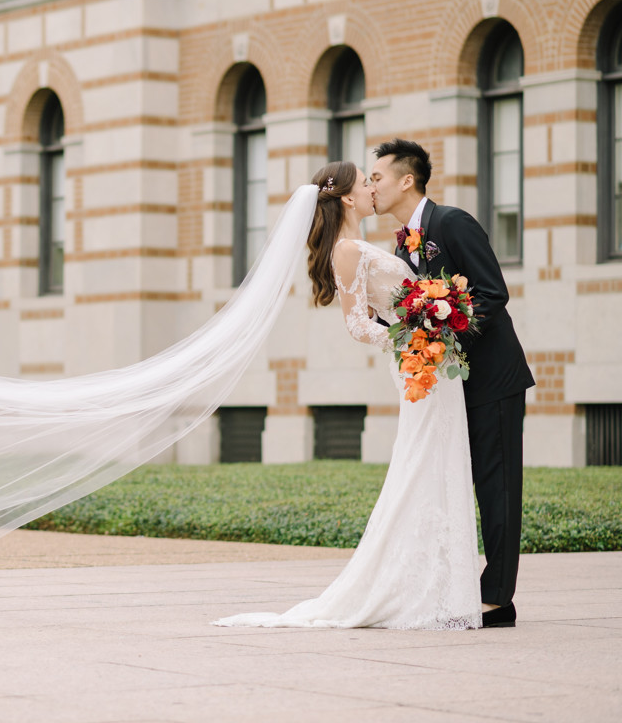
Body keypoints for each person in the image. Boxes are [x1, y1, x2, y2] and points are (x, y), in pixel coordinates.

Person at [212, 160, 483, 630]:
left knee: (437, 464)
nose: (373, 189)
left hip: (430, 364)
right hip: (419, 365)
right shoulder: (345, 251)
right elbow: (357, 324)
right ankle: (422, 589)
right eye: (366, 183)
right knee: (422, 464)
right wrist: (413, 337)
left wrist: (425, 324)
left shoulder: (361, 245)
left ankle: (443, 585)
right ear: (347, 199)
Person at [369, 139, 534, 628]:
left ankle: (498, 599)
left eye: (376, 176)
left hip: (493, 380)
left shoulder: (452, 222)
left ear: (406, 180)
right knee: (455, 485)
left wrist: (442, 327)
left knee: (497, 488)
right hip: (450, 388)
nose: (371, 185)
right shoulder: (403, 242)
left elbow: (491, 293)